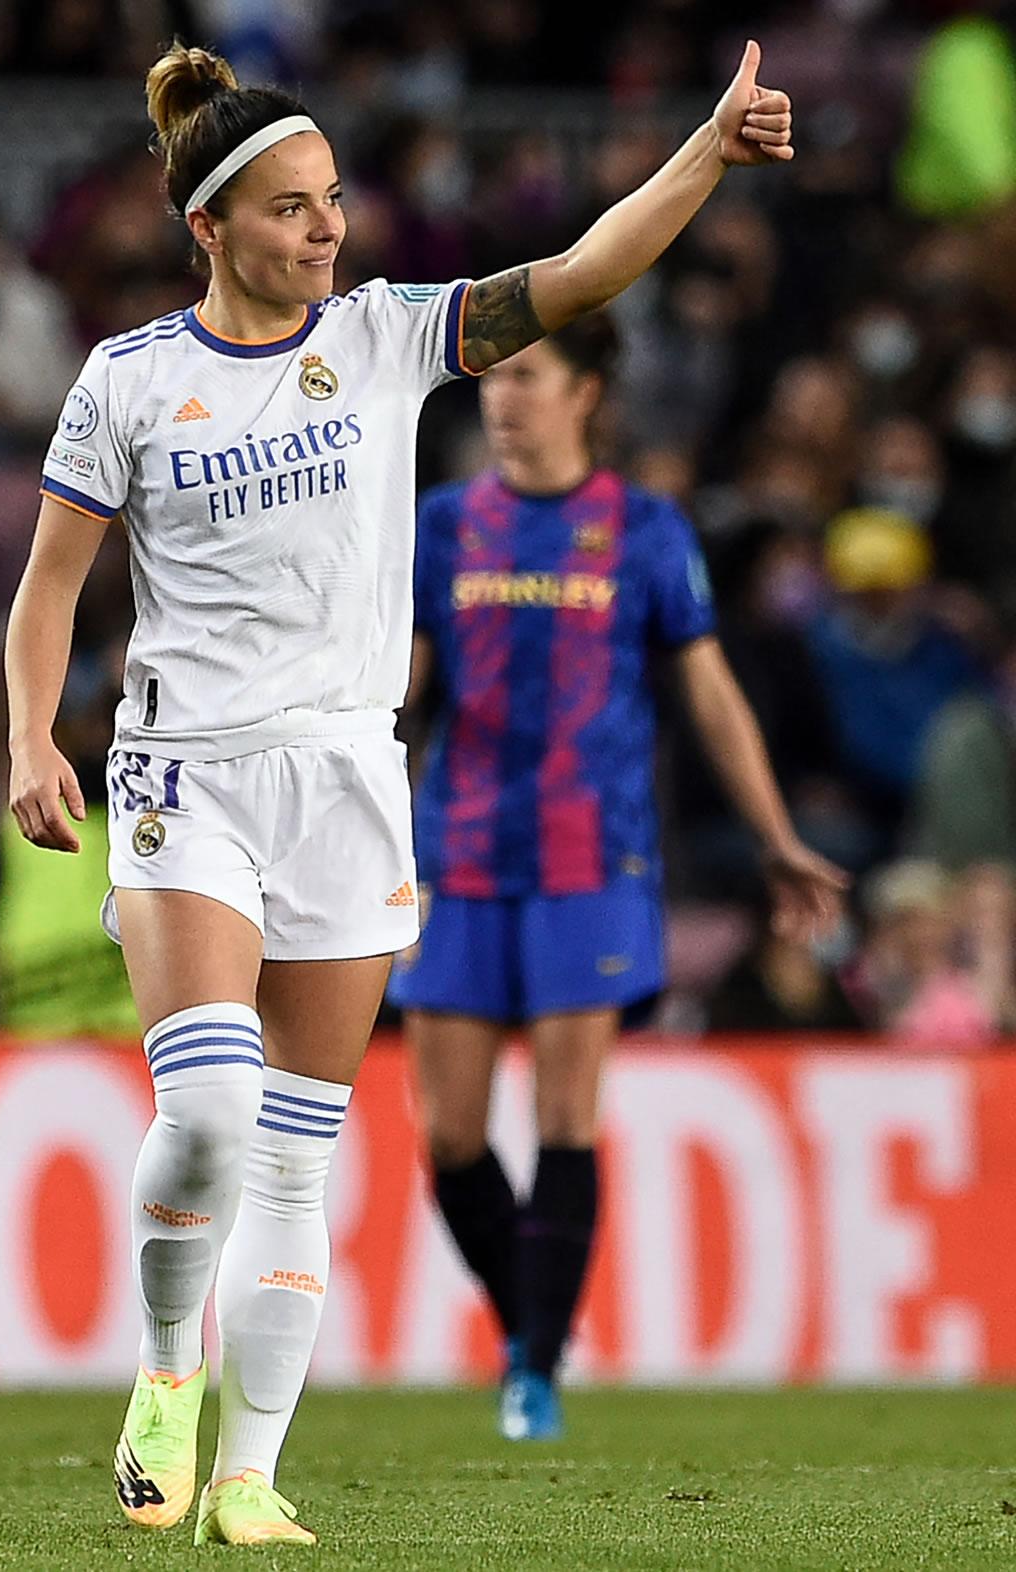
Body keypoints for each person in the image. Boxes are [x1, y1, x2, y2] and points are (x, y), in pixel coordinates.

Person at [4, 38, 797, 1548]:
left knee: (300, 1143)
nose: (329, 231)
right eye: (294, 209)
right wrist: (32, 737)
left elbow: (574, 275)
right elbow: (49, 594)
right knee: (215, 1110)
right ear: (211, 228)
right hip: (189, 774)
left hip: (352, 775)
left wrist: (703, 150)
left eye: (336, 200)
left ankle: (249, 1475)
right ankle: (166, 1374)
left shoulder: (383, 339)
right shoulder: (130, 381)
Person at [388, 313, 847, 1440]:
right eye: (494, 380)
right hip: (460, 850)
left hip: (594, 854)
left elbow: (709, 692)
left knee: (562, 1114)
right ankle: (530, 1332)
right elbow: (397, 698)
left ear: (588, 391)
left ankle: (533, 1375)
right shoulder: (445, 525)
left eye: (530, 377)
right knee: (447, 1133)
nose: (502, 399)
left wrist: (777, 834)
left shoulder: (642, 530)